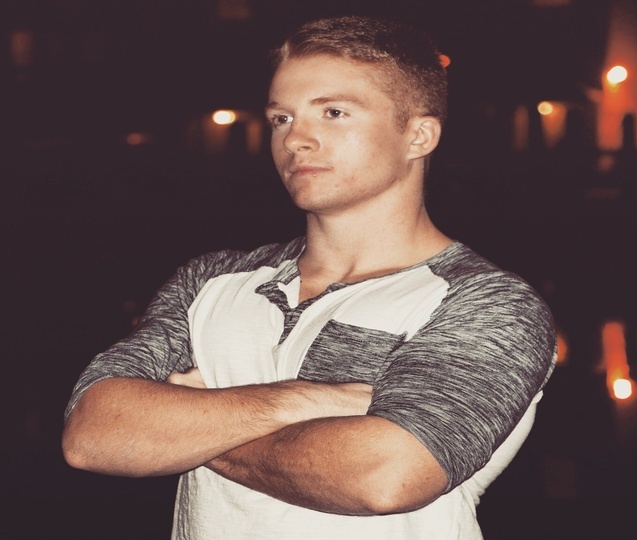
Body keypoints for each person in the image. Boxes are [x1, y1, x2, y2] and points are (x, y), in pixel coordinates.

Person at [62, 15, 556, 539]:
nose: (295, 139)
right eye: (281, 118)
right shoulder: (212, 279)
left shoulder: (488, 303)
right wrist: (307, 398)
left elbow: (384, 477)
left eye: (333, 112)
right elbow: (92, 434)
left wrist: (182, 430)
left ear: (418, 135)